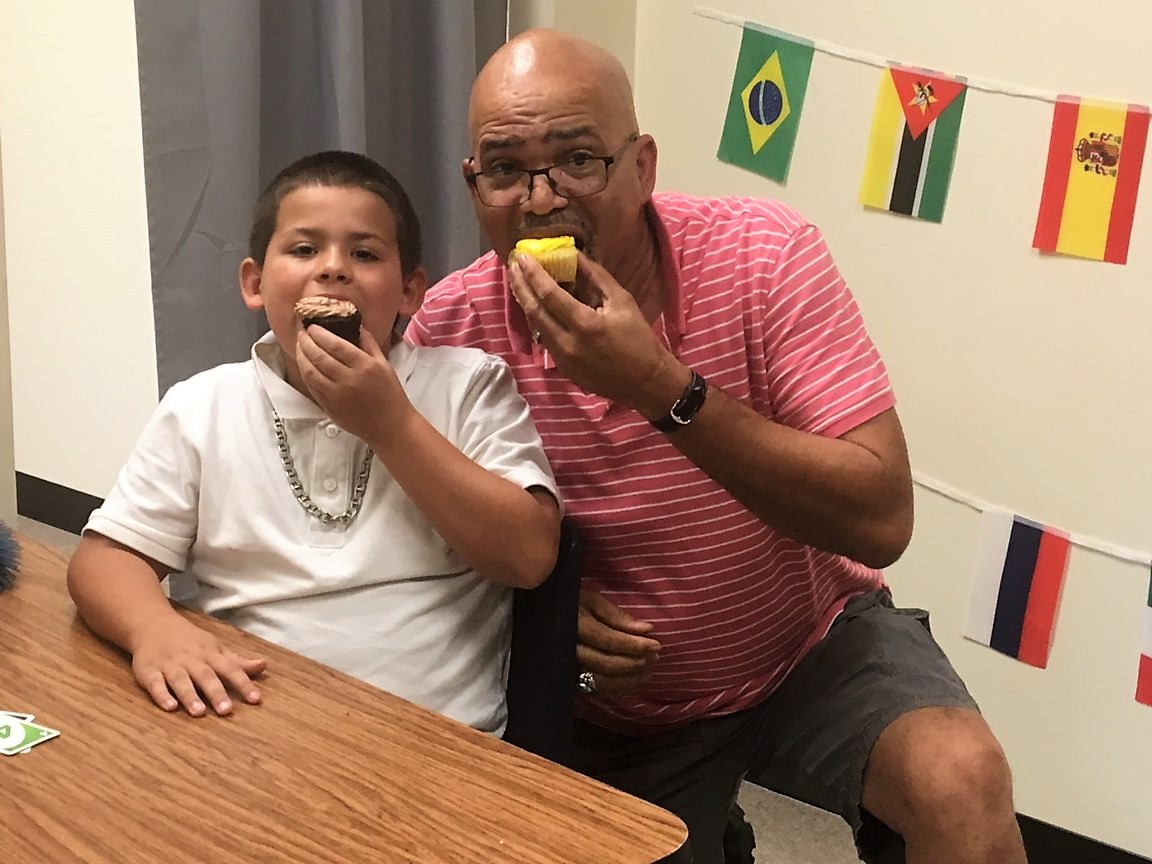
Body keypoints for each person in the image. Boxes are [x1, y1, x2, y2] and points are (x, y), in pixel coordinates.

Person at [406, 28, 1027, 864]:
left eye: (578, 159)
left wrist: (661, 388)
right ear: (473, 185)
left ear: (643, 166)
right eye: (506, 168)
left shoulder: (764, 256)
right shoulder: (451, 326)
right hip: (621, 709)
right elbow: (425, 543)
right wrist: (534, 611)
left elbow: (882, 517)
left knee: (960, 781)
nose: (541, 198)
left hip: (809, 643)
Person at [68, 151, 561, 735]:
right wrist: (155, 629)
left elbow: (529, 557)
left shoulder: (468, 384)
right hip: (247, 724)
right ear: (254, 283)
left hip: (437, 744)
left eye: (365, 253)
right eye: (303, 249)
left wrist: (390, 423)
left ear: (410, 291)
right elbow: (105, 558)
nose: (333, 269)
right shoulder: (202, 406)